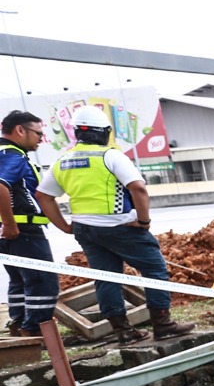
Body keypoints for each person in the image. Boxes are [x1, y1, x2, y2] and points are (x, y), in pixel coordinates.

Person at [35, 106, 194, 342]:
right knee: (154, 270)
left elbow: (43, 196)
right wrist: (144, 220)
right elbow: (138, 188)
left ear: (78, 133)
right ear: (104, 132)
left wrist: (65, 226)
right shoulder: (110, 156)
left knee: (107, 277)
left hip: (85, 229)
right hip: (120, 227)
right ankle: (162, 324)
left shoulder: (63, 161)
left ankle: (123, 331)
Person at [1, 111, 65, 337]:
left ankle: (18, 327)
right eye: (38, 133)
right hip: (22, 230)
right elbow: (1, 185)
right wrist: (10, 224)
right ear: (20, 130)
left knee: (19, 281)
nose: (41, 138)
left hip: (9, 232)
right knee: (42, 282)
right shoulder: (12, 155)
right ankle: (34, 331)